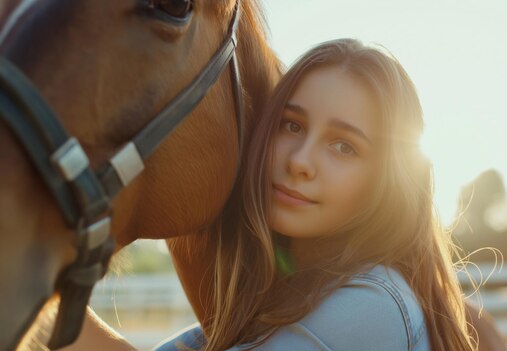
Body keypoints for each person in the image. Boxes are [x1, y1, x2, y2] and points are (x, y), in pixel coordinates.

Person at [65, 38, 477, 351]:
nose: (300, 161)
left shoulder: (374, 308)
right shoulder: (280, 302)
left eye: (344, 146)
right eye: (292, 126)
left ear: (388, 182)